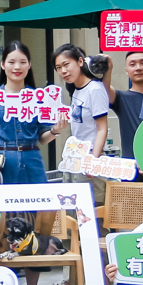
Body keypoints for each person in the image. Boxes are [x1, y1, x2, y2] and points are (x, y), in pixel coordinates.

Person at [0, 40, 64, 185]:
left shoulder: (39, 98)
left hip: (32, 159)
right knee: (4, 206)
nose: (17, 67)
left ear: (29, 65)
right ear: (3, 65)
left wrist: (55, 130)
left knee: (39, 203)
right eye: (11, 62)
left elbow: (42, 139)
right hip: (3, 161)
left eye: (23, 62)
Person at [54, 43, 110, 203]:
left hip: (90, 159)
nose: (63, 71)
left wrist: (93, 159)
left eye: (66, 64)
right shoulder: (75, 89)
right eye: (58, 67)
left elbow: (102, 128)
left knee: (93, 214)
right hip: (74, 158)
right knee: (73, 214)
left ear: (80, 61)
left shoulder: (94, 89)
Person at [99, 50, 143, 161]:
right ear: (126, 71)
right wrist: (107, 69)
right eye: (132, 64)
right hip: (131, 167)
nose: (138, 68)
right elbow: (104, 90)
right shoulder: (121, 98)